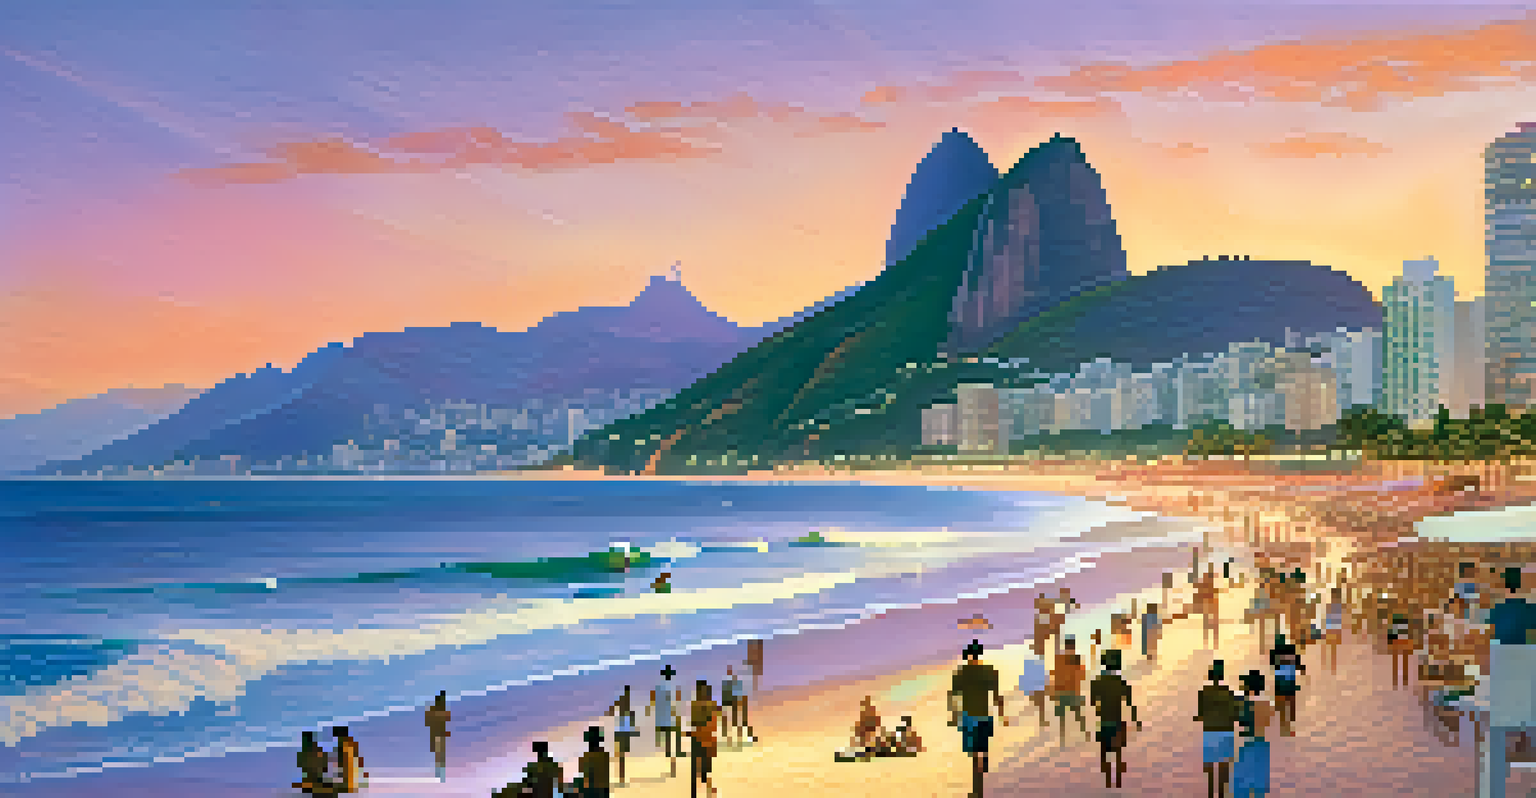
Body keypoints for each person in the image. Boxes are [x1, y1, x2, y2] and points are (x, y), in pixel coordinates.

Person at [949, 639, 1007, 798]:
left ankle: (977, 790)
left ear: (967, 656)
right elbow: (996, 695)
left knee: (974, 754)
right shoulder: (989, 671)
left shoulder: (961, 673)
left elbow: (953, 696)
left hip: (969, 716)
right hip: (984, 715)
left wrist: (954, 715)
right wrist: (1001, 713)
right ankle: (984, 762)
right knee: (983, 745)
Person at [1090, 649, 1140, 790]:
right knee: (1118, 752)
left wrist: (1099, 708)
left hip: (1104, 721)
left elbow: (1093, 702)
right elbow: (1130, 703)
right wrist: (1136, 720)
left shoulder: (1097, 682)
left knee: (1104, 753)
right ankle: (1118, 782)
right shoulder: (1121, 682)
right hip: (1118, 722)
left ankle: (1107, 782)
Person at [1194, 660, 1241, 798]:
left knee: (1209, 765)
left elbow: (1201, 714)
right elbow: (1236, 714)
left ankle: (1210, 792)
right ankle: (1221, 793)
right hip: (1226, 731)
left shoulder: (1203, 693)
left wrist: (1198, 718)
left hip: (1210, 731)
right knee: (1224, 765)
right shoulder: (1230, 693)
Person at [1232, 671, 1273, 798]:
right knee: (1259, 788)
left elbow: (1238, 718)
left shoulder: (1242, 702)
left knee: (1241, 787)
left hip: (1246, 744)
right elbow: (1267, 722)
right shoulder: (1267, 703)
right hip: (1262, 744)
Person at [1050, 635, 1090, 744]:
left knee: (1062, 718)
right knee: (1078, 714)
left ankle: (1063, 738)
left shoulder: (1059, 659)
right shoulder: (1076, 659)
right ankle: (1085, 733)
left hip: (1062, 692)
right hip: (1073, 691)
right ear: (1073, 647)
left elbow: (1054, 675)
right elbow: (1082, 676)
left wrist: (1053, 691)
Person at [687, 680, 721, 798]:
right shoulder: (710, 705)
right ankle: (708, 791)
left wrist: (691, 733)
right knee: (703, 771)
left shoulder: (697, 705)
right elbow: (710, 725)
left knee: (700, 771)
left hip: (702, 740)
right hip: (705, 740)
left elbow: (696, 723)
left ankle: (707, 791)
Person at [649, 665, 683, 776]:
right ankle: (676, 757)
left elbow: (653, 701)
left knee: (668, 743)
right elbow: (675, 702)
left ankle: (671, 762)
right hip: (670, 718)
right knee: (676, 735)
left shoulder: (658, 687)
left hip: (661, 718)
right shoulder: (673, 687)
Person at [1269, 635, 1304, 737]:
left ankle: (1284, 726)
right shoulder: (1291, 650)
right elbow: (1298, 663)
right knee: (1290, 703)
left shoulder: (1274, 652)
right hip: (1289, 682)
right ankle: (1289, 725)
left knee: (1282, 705)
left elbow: (1273, 665)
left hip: (1280, 682)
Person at [605, 685, 638, 784]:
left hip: (620, 733)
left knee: (621, 756)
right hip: (623, 733)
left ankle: (621, 776)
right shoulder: (630, 712)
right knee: (621, 755)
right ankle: (621, 776)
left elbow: (610, 711)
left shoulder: (626, 710)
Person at [294, 730, 333, 795]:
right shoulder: (317, 751)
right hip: (314, 779)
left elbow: (300, 765)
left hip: (313, 779)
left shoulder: (304, 753)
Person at [577, 726, 611, 798]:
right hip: (603, 790)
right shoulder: (604, 755)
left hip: (592, 790)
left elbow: (584, 773)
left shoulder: (586, 757)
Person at [1018, 650, 1050, 727]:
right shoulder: (1033, 661)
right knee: (1039, 704)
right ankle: (1039, 720)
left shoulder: (1038, 661)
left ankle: (1040, 720)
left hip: (1038, 685)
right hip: (1036, 685)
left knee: (1040, 704)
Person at [425, 691, 451, 782]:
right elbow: (429, 721)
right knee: (439, 754)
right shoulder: (435, 710)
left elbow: (446, 719)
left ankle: (441, 774)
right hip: (437, 734)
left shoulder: (440, 710)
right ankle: (440, 774)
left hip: (439, 734)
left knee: (440, 754)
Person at [331, 727, 366, 793]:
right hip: (352, 770)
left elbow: (343, 759)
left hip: (350, 770)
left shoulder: (345, 744)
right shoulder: (351, 743)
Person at [1322, 588, 1345, 674]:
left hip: (1333, 629)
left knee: (1331, 648)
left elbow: (1338, 620)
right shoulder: (1337, 607)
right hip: (1332, 629)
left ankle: (1331, 665)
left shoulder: (1335, 607)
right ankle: (1331, 665)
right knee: (1331, 647)